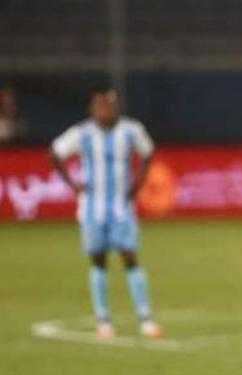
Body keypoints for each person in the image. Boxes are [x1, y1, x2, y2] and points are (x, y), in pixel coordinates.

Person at [51, 84, 163, 340]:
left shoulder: (132, 130)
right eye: (100, 105)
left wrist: (138, 184)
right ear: (92, 108)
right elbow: (55, 153)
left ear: (116, 107)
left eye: (109, 105)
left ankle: (145, 318)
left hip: (122, 207)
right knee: (99, 262)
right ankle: (103, 320)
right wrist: (73, 184)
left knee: (130, 257)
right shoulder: (81, 133)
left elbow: (148, 153)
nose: (105, 110)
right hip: (92, 208)